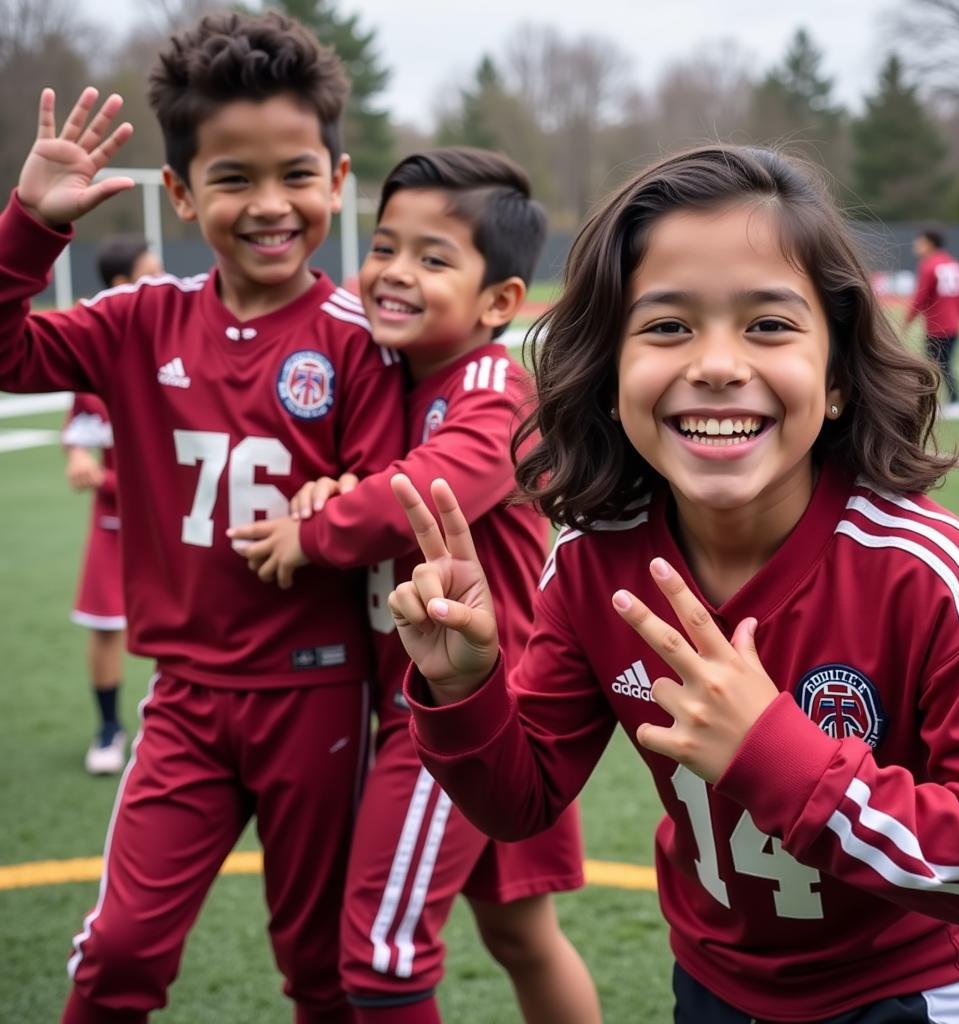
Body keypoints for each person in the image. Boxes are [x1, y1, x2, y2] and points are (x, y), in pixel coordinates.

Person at [387, 146, 959, 1022]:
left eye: (768, 325)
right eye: (667, 327)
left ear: (836, 376)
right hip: (710, 987)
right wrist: (462, 687)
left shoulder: (927, 570)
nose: (717, 363)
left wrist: (778, 755)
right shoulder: (591, 561)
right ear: (609, 374)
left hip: (902, 995)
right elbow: (519, 798)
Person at [0, 12, 405, 1023]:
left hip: (317, 697)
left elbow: (395, 494)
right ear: (179, 192)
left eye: (295, 174)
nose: (270, 205)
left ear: (337, 179)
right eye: (233, 178)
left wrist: (344, 497)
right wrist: (29, 226)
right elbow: (10, 358)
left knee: (323, 967)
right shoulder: (141, 321)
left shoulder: (361, 341)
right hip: (186, 699)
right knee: (119, 952)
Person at [228, 148, 600, 1024]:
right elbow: (365, 469)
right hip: (432, 703)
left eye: (433, 258)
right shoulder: (393, 379)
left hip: (468, 711)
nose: (395, 273)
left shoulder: (492, 388)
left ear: (500, 303)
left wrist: (310, 530)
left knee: (383, 957)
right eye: (385, 246)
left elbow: (424, 494)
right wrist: (329, 482)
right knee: (518, 934)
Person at [63, 235, 163, 775]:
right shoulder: (97, 361)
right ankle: (108, 727)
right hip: (114, 523)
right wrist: (80, 456)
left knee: (183, 623)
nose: (166, 280)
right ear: (124, 285)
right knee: (106, 626)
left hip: (172, 524)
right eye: (153, 271)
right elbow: (80, 432)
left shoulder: (179, 346)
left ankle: (165, 718)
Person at [906, 228, 959, 419]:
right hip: (954, 324)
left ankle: (951, 403)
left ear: (930, 244)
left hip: (938, 326)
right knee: (942, 365)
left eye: (920, 242)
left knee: (936, 366)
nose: (916, 246)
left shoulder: (929, 264)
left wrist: (907, 320)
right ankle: (949, 403)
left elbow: (921, 296)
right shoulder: (953, 263)